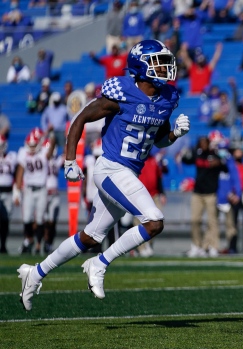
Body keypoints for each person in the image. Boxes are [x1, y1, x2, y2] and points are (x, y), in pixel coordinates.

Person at [17, 40, 190, 311]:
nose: (165, 67)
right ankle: (100, 263)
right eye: (158, 61)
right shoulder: (121, 92)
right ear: (141, 66)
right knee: (154, 221)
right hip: (110, 168)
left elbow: (158, 142)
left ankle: (36, 273)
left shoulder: (167, 98)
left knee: (90, 238)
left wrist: (175, 134)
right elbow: (80, 119)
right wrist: (69, 160)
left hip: (129, 172)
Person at [181, 134, 228, 257]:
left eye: (205, 142)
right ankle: (196, 245)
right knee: (195, 220)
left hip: (211, 193)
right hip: (198, 193)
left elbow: (225, 168)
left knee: (212, 222)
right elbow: (186, 160)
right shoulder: (197, 155)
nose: (203, 145)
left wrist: (219, 162)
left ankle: (213, 246)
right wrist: (188, 151)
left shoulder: (216, 156)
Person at [13, 128, 56, 255]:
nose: (32, 148)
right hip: (29, 189)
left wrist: (52, 139)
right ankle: (29, 239)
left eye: (34, 145)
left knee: (39, 219)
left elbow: (49, 153)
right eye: (30, 145)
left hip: (41, 189)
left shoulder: (43, 151)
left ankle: (38, 244)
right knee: (26, 218)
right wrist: (17, 191)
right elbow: (20, 172)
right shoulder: (22, 152)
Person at [41, 139, 64, 254]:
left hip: (54, 193)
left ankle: (48, 243)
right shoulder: (42, 159)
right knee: (43, 220)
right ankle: (41, 243)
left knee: (52, 221)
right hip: (44, 192)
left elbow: (65, 158)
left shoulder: (57, 160)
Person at [0, 135, 17, 254]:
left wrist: (17, 192)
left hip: (8, 191)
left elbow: (17, 174)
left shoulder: (12, 157)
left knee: (5, 220)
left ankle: (3, 245)